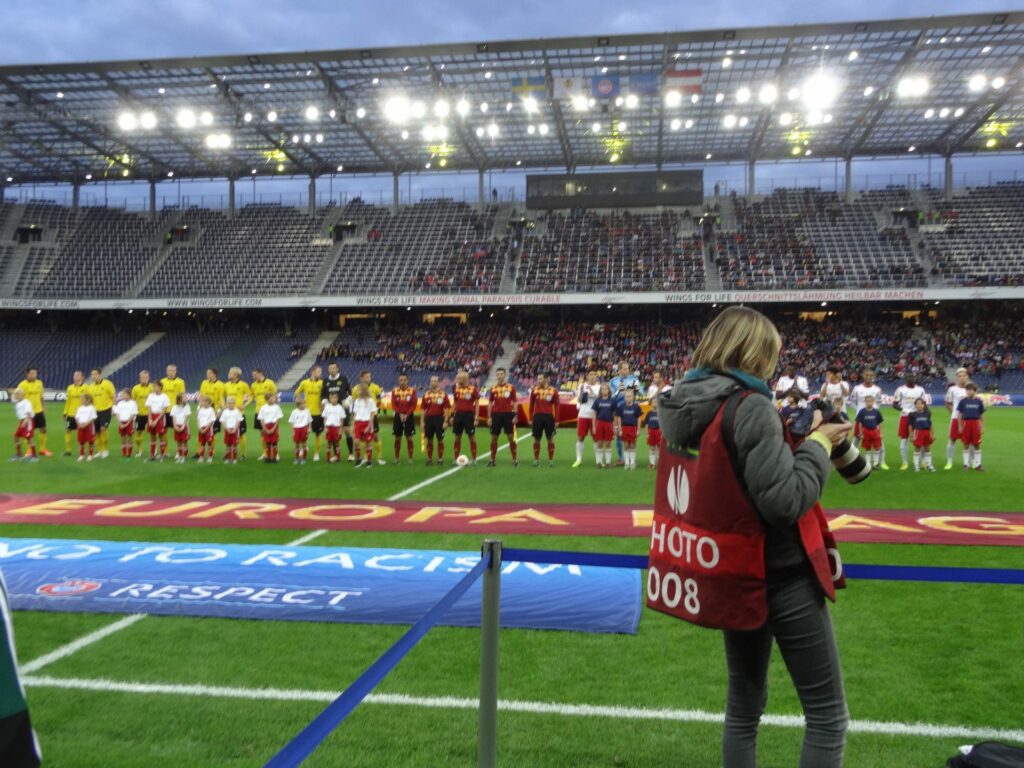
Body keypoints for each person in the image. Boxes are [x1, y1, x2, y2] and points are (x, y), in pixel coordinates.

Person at [656, 306, 850, 768]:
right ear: (756, 352)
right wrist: (819, 446)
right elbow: (784, 501)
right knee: (827, 717)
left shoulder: (681, 400)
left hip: (727, 568)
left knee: (743, 710)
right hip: (779, 571)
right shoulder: (751, 405)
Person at [609, 361, 642, 466]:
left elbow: (641, 392)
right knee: (619, 434)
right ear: (619, 370)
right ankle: (620, 458)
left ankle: (632, 459)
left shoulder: (634, 379)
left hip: (631, 412)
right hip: (618, 412)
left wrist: (634, 389)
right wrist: (618, 392)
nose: (626, 370)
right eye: (624, 368)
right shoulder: (613, 381)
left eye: (627, 368)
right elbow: (610, 397)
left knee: (632, 436)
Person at [849, 370, 884, 467]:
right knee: (855, 440)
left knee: (879, 442)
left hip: (873, 419)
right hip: (861, 419)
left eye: (871, 375)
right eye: (867, 375)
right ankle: (850, 461)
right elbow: (851, 402)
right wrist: (860, 412)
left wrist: (874, 412)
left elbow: (879, 403)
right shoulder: (857, 388)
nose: (869, 377)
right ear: (863, 375)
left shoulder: (877, 389)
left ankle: (881, 462)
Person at [893, 373, 926, 471]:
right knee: (904, 439)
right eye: (909, 377)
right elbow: (894, 404)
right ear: (906, 378)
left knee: (922, 440)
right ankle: (905, 462)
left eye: (913, 377)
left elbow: (924, 404)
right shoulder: (900, 389)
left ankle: (923, 462)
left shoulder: (920, 390)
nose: (911, 378)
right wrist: (903, 409)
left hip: (918, 416)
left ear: (916, 378)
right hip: (905, 416)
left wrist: (926, 414)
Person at [486, 367, 518, 467]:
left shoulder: (511, 387)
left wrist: (515, 415)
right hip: (496, 415)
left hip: (508, 414)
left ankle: (514, 459)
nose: (499, 376)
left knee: (510, 437)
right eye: (498, 374)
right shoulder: (493, 388)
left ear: (505, 375)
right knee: (494, 437)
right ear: (496, 375)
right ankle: (492, 460)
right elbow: (490, 402)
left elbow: (515, 402)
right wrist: (489, 417)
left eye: (501, 374)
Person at [16, 367, 50, 457]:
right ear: (27, 374)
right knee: (28, 433)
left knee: (43, 429)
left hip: (39, 411)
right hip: (29, 413)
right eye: (32, 373)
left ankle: (42, 449)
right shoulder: (22, 385)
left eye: (35, 373)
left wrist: (43, 407)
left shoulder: (39, 383)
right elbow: (18, 397)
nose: (34, 375)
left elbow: (41, 396)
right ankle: (29, 450)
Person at [323, 363, 353, 461]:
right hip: (332, 411)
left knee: (347, 430)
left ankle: (351, 454)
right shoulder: (326, 381)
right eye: (330, 368)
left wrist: (348, 400)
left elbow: (350, 392)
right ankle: (336, 456)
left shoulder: (343, 378)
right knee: (333, 435)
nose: (332, 370)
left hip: (343, 409)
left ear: (337, 369)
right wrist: (326, 403)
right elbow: (323, 395)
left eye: (333, 368)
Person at [295, 366, 325, 462]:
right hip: (306, 412)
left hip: (318, 412)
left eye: (320, 372)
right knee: (305, 433)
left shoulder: (322, 383)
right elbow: (297, 392)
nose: (320, 373)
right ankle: (305, 447)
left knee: (317, 433)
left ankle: (316, 453)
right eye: (318, 371)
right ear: (313, 372)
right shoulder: (304, 382)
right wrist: (301, 401)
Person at [451, 370, 480, 465]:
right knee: (457, 437)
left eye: (459, 378)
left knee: (471, 437)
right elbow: (455, 403)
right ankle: (456, 459)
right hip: (458, 415)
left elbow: (477, 403)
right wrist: (452, 415)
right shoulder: (456, 389)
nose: (457, 379)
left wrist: (476, 417)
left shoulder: (473, 389)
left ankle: (474, 459)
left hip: (469, 415)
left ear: (464, 379)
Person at [529, 372, 558, 468]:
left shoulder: (553, 390)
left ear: (546, 379)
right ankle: (536, 460)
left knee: (550, 439)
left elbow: (557, 406)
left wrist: (557, 420)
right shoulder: (535, 390)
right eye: (538, 379)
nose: (539, 381)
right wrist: (530, 418)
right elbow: (531, 405)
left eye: (541, 379)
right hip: (537, 417)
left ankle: (550, 461)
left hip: (549, 417)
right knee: (536, 439)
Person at [573, 371, 601, 468]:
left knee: (596, 438)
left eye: (594, 375)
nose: (592, 377)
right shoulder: (581, 386)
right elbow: (579, 399)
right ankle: (578, 459)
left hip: (595, 416)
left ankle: (598, 461)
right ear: (587, 377)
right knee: (580, 437)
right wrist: (583, 395)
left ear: (596, 377)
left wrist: (592, 394)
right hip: (583, 414)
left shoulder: (599, 387)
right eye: (590, 375)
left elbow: (599, 399)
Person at [420, 376, 450, 466]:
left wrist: (446, 421)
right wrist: (422, 422)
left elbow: (447, 409)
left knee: (440, 439)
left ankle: (440, 459)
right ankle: (429, 459)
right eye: (432, 381)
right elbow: (422, 409)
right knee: (429, 440)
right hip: (428, 419)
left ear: (438, 382)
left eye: (435, 381)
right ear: (430, 382)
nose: (433, 383)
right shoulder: (426, 394)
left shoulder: (443, 394)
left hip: (439, 418)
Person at [86, 368, 116, 459]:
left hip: (106, 410)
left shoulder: (108, 384)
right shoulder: (90, 387)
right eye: (92, 374)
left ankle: (105, 450)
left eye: (95, 374)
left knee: (103, 429)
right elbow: (89, 401)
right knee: (97, 432)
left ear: (99, 374)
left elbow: (113, 396)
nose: (93, 376)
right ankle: (100, 450)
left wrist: (114, 408)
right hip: (95, 412)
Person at [224, 367, 253, 460]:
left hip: (239, 414)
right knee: (228, 433)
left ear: (236, 374)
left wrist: (245, 405)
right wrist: (223, 405)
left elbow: (251, 395)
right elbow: (221, 395)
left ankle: (243, 454)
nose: (228, 374)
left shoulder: (243, 385)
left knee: (241, 434)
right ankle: (229, 453)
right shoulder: (226, 385)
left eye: (230, 372)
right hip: (228, 414)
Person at [943, 367, 969, 471]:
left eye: (964, 376)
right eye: (960, 376)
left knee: (968, 441)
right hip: (955, 418)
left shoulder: (971, 388)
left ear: (967, 377)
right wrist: (953, 413)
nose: (962, 378)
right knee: (952, 439)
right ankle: (949, 462)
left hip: (968, 419)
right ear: (957, 378)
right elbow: (948, 403)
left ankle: (968, 463)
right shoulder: (952, 389)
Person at [358, 370, 386, 466]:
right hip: (361, 418)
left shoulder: (375, 387)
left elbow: (379, 399)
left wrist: (377, 407)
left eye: (369, 377)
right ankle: (365, 457)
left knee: (376, 436)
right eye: (366, 377)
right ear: (361, 378)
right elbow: (355, 401)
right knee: (362, 438)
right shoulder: (356, 388)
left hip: (372, 416)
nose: (368, 378)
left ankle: (379, 457)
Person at [389, 373, 418, 465]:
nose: (402, 382)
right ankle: (396, 458)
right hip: (398, 416)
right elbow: (393, 405)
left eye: (404, 380)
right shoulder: (395, 391)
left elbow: (413, 404)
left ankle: (410, 458)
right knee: (397, 438)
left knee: (409, 437)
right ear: (398, 381)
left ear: (407, 380)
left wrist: (407, 414)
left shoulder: (412, 391)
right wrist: (400, 414)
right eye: (401, 380)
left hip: (409, 417)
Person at [956, 382, 985, 471]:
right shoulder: (963, 401)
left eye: (970, 390)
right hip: (966, 423)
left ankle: (978, 464)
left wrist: (982, 426)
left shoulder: (979, 401)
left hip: (976, 423)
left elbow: (981, 414)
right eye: (967, 390)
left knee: (976, 444)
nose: (968, 392)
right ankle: (966, 464)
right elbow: (960, 414)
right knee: (966, 443)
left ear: (974, 391)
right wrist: (960, 426)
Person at [250, 368, 278, 461]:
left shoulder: (270, 383)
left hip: (269, 412)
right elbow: (252, 396)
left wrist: (274, 409)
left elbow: (275, 395)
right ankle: (265, 452)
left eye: (254, 374)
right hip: (258, 411)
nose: (253, 376)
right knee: (262, 434)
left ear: (260, 373)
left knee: (273, 434)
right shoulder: (253, 385)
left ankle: (275, 453)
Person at [350, 383, 379, 468]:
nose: (358, 392)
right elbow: (354, 414)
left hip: (366, 423)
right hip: (358, 423)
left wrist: (369, 426)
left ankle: (369, 461)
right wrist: (353, 425)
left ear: (364, 391)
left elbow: (372, 415)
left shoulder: (370, 401)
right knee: (356, 442)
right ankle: (358, 459)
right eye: (357, 390)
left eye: (359, 390)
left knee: (368, 443)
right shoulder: (357, 401)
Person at [199, 368, 226, 458]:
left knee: (212, 432)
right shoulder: (204, 383)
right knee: (201, 431)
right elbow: (201, 396)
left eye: (209, 373)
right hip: (204, 409)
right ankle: (200, 452)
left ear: (215, 374)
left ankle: (212, 451)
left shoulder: (221, 385)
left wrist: (219, 411)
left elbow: (221, 398)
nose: (208, 374)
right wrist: (200, 407)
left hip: (214, 410)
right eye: (207, 373)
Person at [614, 388, 643, 470]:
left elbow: (639, 418)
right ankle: (627, 463)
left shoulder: (636, 407)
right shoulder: (621, 406)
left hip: (633, 428)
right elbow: (619, 418)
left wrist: (638, 430)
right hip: (624, 428)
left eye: (630, 396)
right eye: (627, 396)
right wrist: (619, 429)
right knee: (626, 445)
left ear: (633, 397)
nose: (628, 398)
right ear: (624, 397)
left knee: (633, 445)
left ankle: (632, 462)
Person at [855, 395, 885, 469]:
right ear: (865, 402)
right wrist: (861, 433)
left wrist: (881, 433)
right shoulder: (862, 412)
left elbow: (880, 422)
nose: (869, 403)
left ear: (873, 402)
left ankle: (875, 464)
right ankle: (868, 463)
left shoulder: (876, 411)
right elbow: (859, 423)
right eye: (867, 401)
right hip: (866, 431)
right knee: (867, 448)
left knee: (877, 447)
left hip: (875, 431)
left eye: (870, 401)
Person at [591, 383, 616, 468]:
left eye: (606, 389)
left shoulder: (612, 401)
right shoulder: (597, 400)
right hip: (599, 423)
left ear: (609, 390)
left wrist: (615, 426)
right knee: (599, 442)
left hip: (609, 423)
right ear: (600, 391)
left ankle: (608, 462)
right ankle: (599, 462)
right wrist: (594, 426)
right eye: (602, 389)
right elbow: (594, 413)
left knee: (608, 442)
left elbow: (614, 414)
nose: (604, 390)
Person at [144, 381, 170, 462]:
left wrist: (156, 420)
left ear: (160, 387)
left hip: (160, 417)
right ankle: (152, 455)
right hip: (152, 416)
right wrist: (150, 419)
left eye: (155, 386)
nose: (153, 388)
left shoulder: (164, 397)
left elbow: (164, 410)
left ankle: (162, 455)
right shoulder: (150, 396)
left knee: (161, 437)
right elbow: (149, 408)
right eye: (153, 386)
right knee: (152, 437)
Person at [62, 371, 86, 457]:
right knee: (68, 430)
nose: (75, 377)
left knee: (81, 432)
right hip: (71, 414)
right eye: (74, 375)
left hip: (82, 415)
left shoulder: (86, 388)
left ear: (82, 377)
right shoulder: (70, 388)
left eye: (78, 375)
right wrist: (65, 412)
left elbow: (89, 401)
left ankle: (81, 449)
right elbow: (68, 401)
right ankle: (68, 450)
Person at [908, 397, 935, 472]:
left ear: (923, 405)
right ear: (915, 405)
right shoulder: (912, 414)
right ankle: (916, 465)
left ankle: (929, 465)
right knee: (917, 448)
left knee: (927, 448)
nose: (919, 405)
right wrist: (911, 435)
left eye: (920, 404)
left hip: (926, 432)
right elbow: (910, 426)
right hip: (918, 432)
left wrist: (932, 434)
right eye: (917, 404)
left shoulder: (927, 413)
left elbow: (930, 424)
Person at [131, 370, 153, 459]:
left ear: (148, 378)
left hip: (150, 414)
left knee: (152, 433)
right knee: (138, 432)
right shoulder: (135, 388)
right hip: (139, 414)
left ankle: (153, 450)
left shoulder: (152, 387)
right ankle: (139, 450)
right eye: (142, 378)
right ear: (139, 378)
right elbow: (132, 401)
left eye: (145, 377)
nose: (143, 379)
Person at [112, 389, 139, 460]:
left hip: (129, 422)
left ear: (129, 395)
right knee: (122, 437)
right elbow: (117, 413)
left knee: (129, 438)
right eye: (122, 394)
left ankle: (129, 454)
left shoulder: (133, 403)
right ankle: (124, 453)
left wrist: (127, 423)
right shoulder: (120, 403)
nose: (123, 396)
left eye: (124, 394)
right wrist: (119, 423)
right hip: (121, 422)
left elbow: (133, 414)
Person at [258, 392, 284, 464]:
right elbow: (261, 419)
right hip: (266, 426)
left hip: (274, 426)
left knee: (275, 443)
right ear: (267, 399)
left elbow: (278, 419)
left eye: (274, 398)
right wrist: (265, 428)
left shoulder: (277, 407)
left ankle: (275, 458)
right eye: (272, 398)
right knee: (268, 443)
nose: (274, 399)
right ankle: (268, 457)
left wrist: (274, 428)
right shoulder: (263, 408)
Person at [159, 365, 186, 432]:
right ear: (166, 371)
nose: (171, 372)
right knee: (163, 430)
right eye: (169, 370)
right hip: (165, 409)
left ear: (175, 371)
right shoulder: (162, 382)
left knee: (177, 429)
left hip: (176, 409)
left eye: (173, 370)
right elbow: (160, 395)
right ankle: (165, 442)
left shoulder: (180, 382)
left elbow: (182, 395)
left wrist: (183, 407)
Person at [322, 391, 347, 464]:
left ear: (337, 398)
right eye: (331, 398)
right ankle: (328, 458)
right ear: (329, 399)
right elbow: (325, 418)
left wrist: (340, 429)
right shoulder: (327, 407)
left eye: (334, 398)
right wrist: (325, 427)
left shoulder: (340, 408)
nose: (332, 399)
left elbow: (342, 419)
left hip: (336, 428)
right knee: (329, 443)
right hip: (329, 427)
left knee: (337, 443)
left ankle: (338, 457)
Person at [74, 393, 98, 462]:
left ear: (88, 400)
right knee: (81, 442)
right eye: (81, 399)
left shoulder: (92, 408)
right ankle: (81, 455)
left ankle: (90, 455)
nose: (82, 401)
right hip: (80, 427)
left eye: (83, 399)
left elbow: (93, 418)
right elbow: (76, 417)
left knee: (90, 441)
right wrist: (79, 424)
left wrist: (85, 424)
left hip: (89, 427)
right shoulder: (79, 408)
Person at [219, 396, 243, 464]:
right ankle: (228, 458)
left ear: (234, 403)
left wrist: (235, 428)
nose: (230, 404)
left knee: (234, 445)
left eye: (232, 403)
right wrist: (226, 428)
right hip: (227, 430)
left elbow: (239, 421)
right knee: (228, 445)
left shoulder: (237, 411)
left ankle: (235, 458)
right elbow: (223, 421)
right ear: (226, 404)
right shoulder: (225, 412)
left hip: (235, 430)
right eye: (229, 403)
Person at [289, 397, 312, 465]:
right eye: (303, 404)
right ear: (298, 405)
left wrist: (309, 428)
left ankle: (304, 459)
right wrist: (293, 431)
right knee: (297, 445)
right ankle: (297, 458)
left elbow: (309, 420)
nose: (304, 405)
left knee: (304, 444)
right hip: (296, 429)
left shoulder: (307, 411)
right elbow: (291, 422)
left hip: (304, 429)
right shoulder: (294, 412)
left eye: (305, 404)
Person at [170, 393, 192, 464]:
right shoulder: (174, 407)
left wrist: (183, 426)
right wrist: (175, 426)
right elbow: (174, 417)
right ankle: (179, 456)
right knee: (178, 442)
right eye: (184, 397)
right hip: (177, 425)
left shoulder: (187, 406)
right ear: (179, 399)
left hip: (184, 426)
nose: (186, 398)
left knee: (185, 441)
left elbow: (187, 417)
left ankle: (184, 457)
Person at [196, 395, 217, 463]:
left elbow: (211, 421)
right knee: (202, 443)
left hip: (208, 429)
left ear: (209, 402)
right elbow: (198, 418)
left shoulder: (211, 410)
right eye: (202, 401)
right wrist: (199, 427)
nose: (203, 403)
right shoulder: (200, 410)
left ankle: (210, 457)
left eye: (205, 401)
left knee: (209, 443)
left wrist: (206, 429)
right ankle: (201, 457)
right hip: (201, 428)